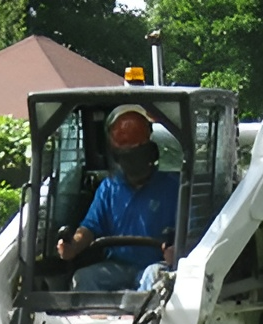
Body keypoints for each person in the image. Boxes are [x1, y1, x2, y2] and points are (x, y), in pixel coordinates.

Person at [57, 104, 179, 292]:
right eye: (126, 156)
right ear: (116, 157)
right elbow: (90, 227)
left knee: (154, 277)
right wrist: (72, 246)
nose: (133, 163)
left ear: (151, 152)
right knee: (83, 278)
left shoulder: (173, 188)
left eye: (138, 153)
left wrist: (178, 252)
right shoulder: (108, 188)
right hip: (117, 267)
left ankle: (143, 321)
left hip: (155, 265)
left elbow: (193, 232)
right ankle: (94, 320)